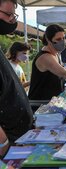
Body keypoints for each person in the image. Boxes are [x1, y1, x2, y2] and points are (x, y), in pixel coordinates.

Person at [0, 0, 33, 147]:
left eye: (14, 15)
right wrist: (3, 143)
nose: (12, 20)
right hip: (8, 145)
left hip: (18, 138)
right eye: (8, 14)